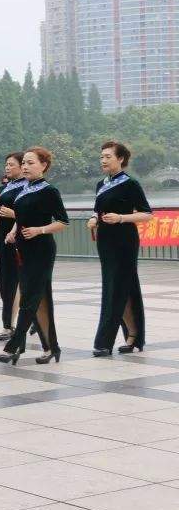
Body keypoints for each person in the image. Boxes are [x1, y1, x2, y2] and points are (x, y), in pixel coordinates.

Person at [0, 147, 69, 365]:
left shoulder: (49, 191)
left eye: (30, 163)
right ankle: (51, 347)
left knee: (28, 298)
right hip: (23, 249)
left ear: (44, 165)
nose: (25, 166)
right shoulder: (23, 189)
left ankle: (13, 346)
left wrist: (40, 230)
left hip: (42, 250)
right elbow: (22, 216)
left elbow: (63, 222)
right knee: (40, 299)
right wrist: (12, 231)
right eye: (24, 163)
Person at [90, 141, 153, 356]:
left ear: (121, 159)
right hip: (105, 241)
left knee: (117, 287)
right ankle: (134, 334)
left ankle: (104, 341)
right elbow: (97, 210)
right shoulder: (101, 184)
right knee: (120, 287)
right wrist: (93, 219)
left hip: (124, 240)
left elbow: (146, 214)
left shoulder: (130, 184)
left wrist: (121, 218)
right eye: (102, 157)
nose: (104, 160)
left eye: (108, 157)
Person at [0, 153, 27, 341]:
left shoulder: (26, 187)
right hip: (3, 239)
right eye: (6, 164)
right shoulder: (8, 187)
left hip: (19, 239)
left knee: (14, 282)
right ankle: (27, 319)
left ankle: (9, 324)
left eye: (11, 164)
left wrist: (14, 214)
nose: (7, 167)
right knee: (5, 282)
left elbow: (31, 214)